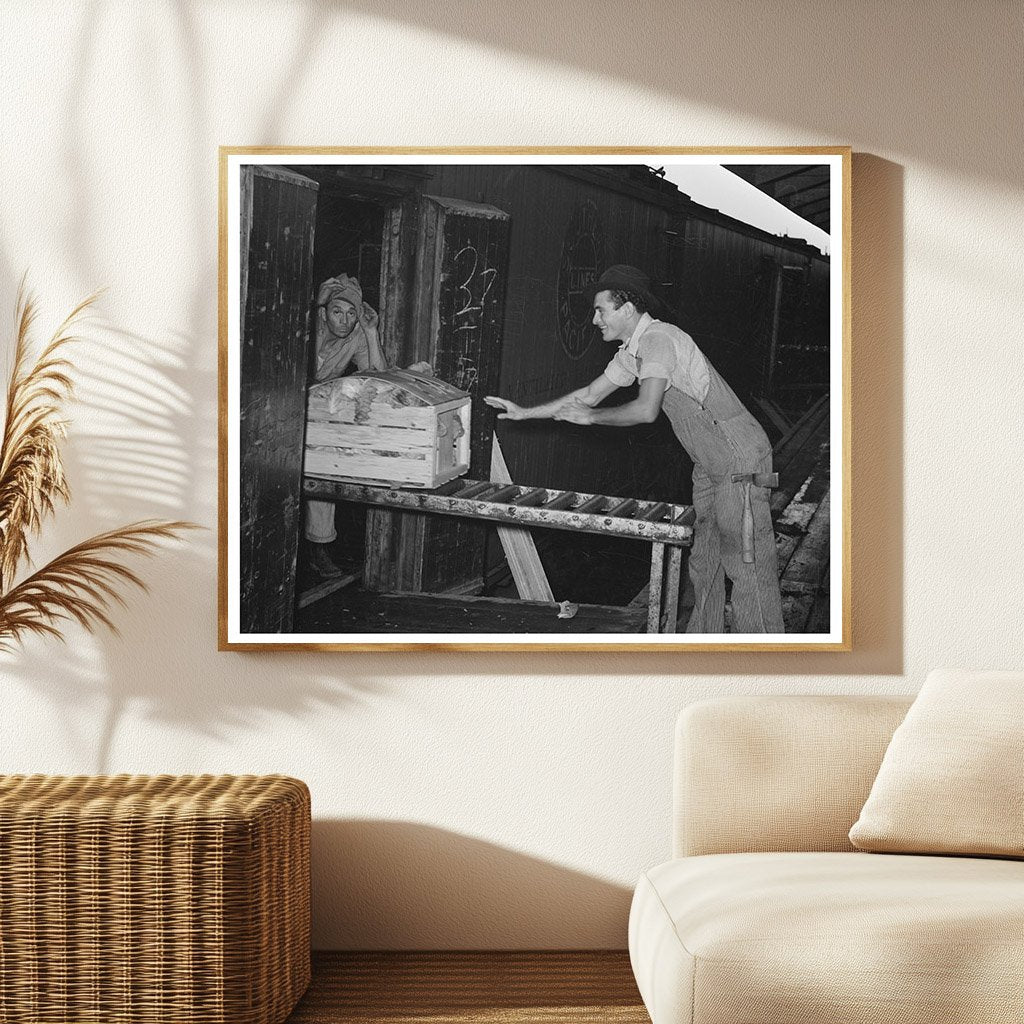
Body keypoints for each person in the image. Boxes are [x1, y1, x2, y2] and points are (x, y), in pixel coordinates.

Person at [484, 264, 784, 634]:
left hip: (738, 454)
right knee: (705, 560)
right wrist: (524, 412)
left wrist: (591, 419)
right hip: (708, 461)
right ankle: (704, 643)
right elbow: (588, 396)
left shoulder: (658, 340)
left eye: (601, 310)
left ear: (627, 309)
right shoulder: (633, 352)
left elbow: (645, 410)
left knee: (746, 560)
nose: (595, 320)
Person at [303, 273, 386, 578]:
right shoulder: (310, 323)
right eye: (337, 311)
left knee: (324, 463)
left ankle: (319, 547)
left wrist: (371, 332)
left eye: (352, 313)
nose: (344, 320)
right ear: (325, 312)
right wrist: (317, 306)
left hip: (318, 410)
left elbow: (378, 377)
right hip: (283, 403)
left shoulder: (356, 335)